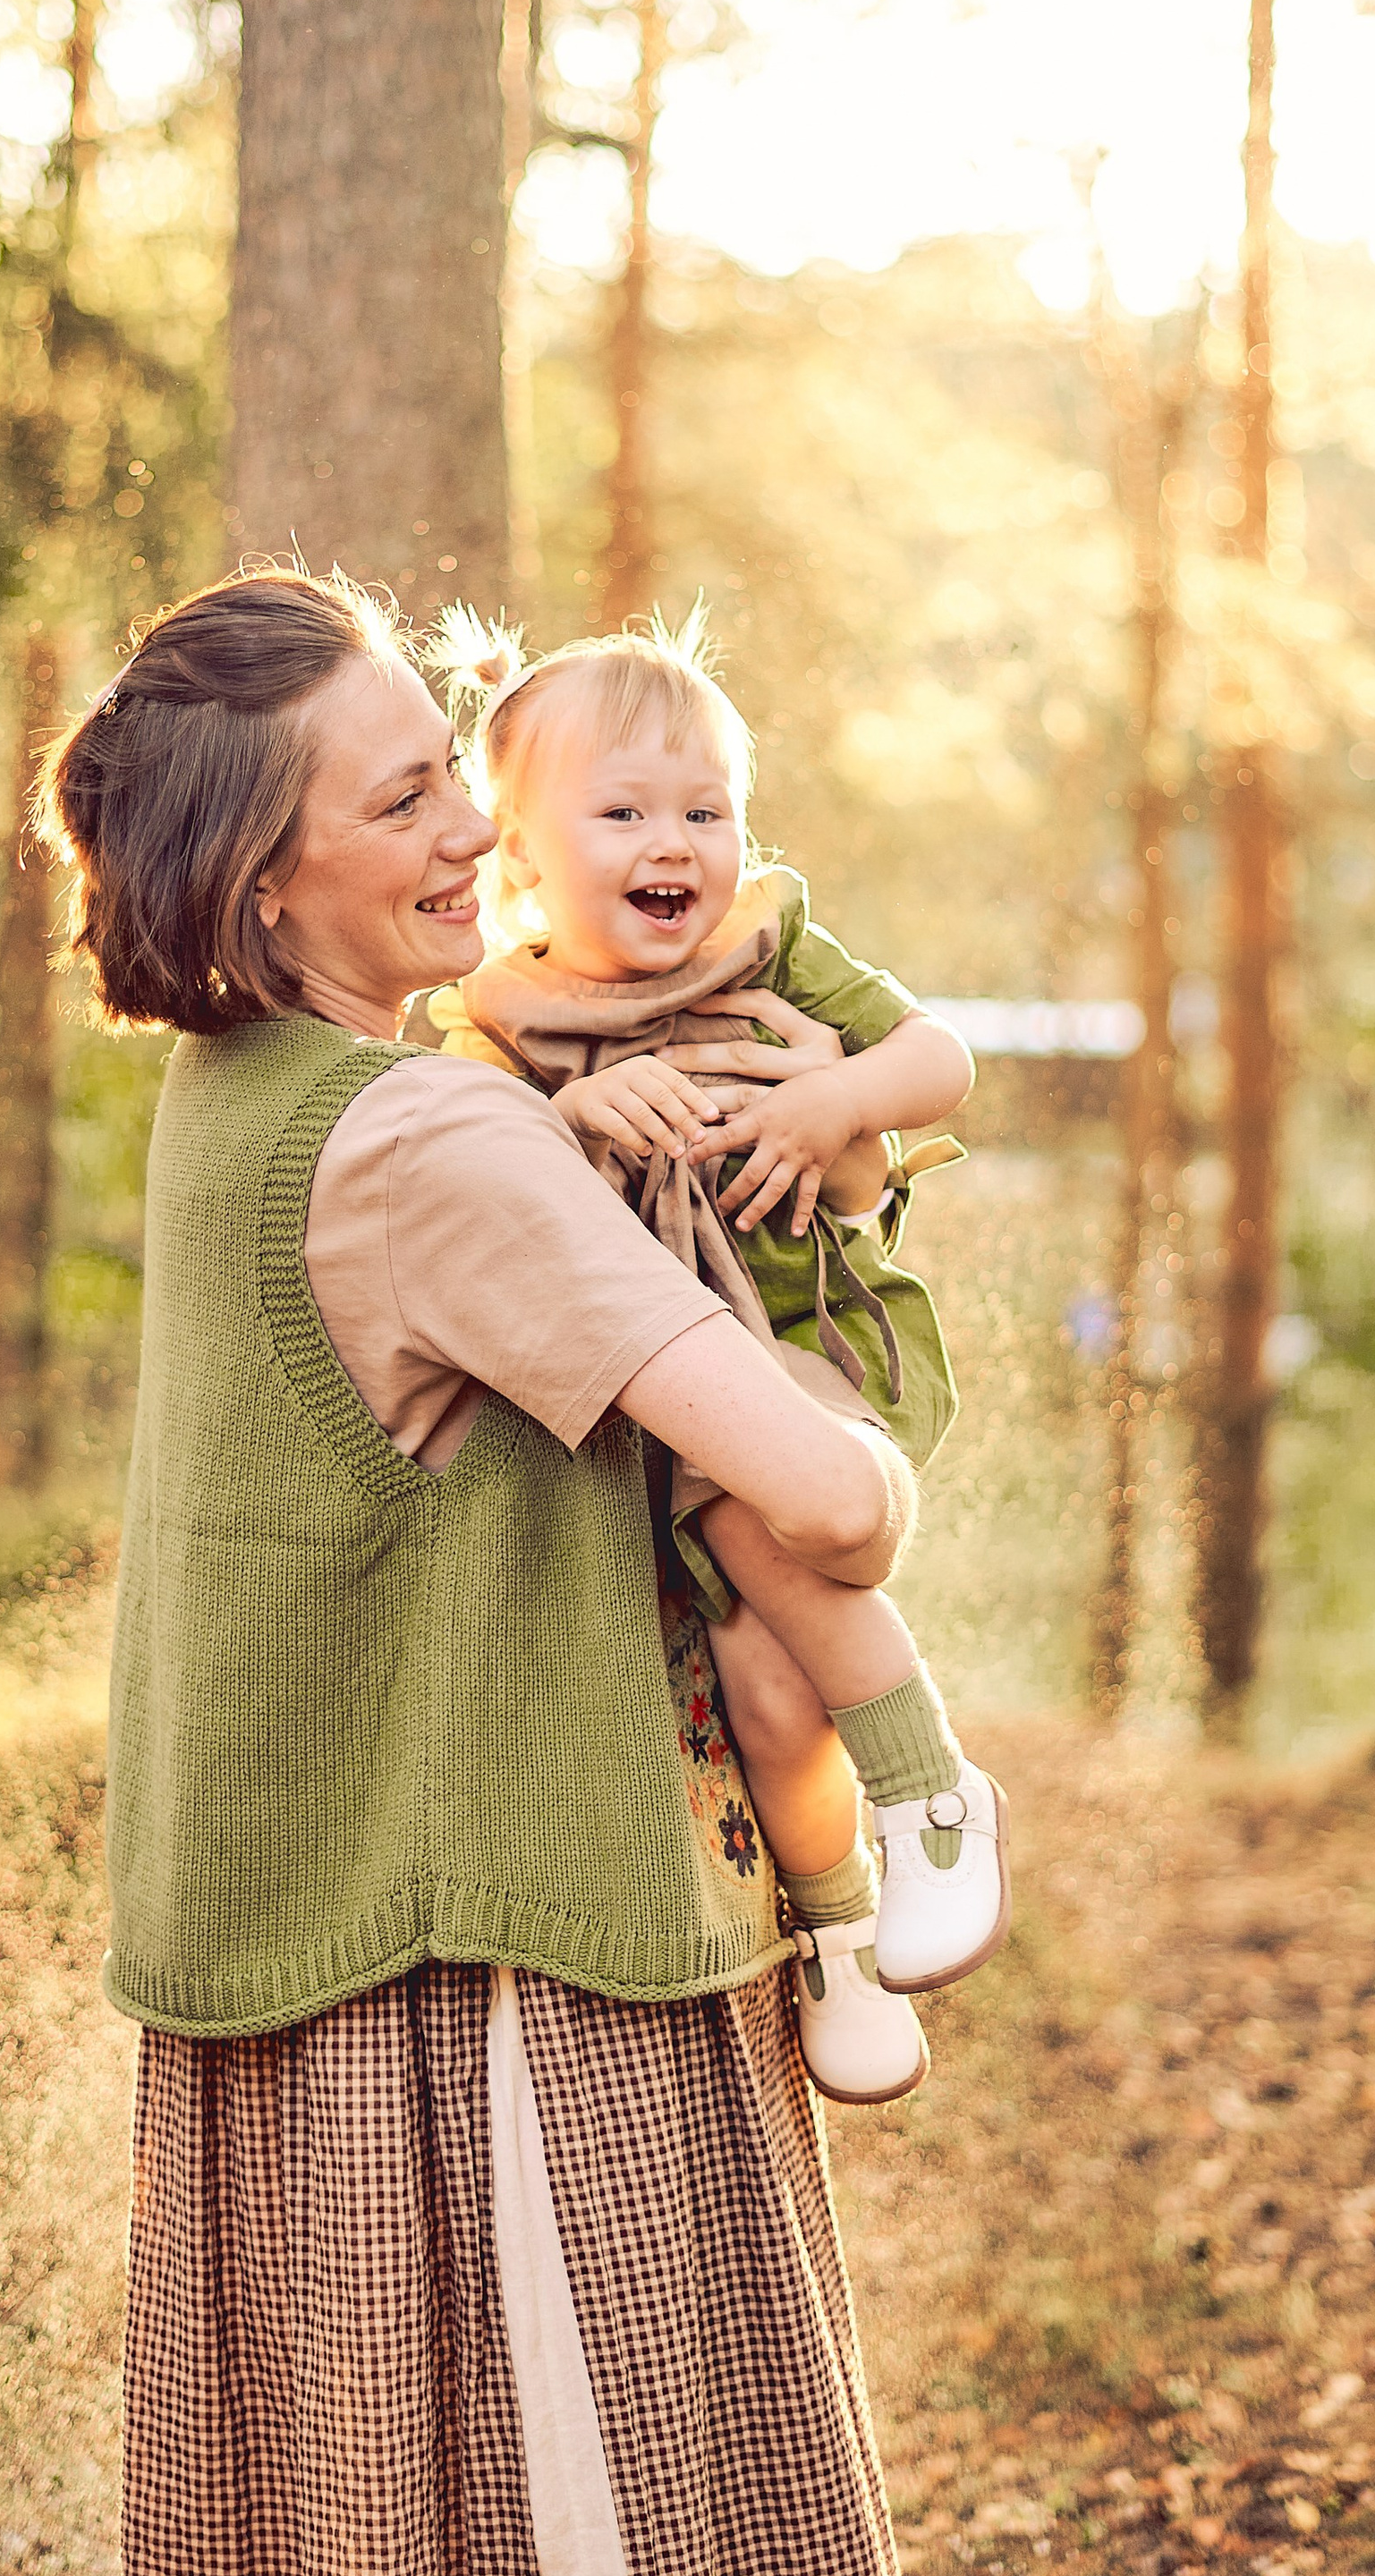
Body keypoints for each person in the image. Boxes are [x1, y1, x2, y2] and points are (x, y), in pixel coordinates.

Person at [46, 564, 932, 2576]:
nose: (477, 828)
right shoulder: (431, 1144)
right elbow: (826, 1487)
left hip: (300, 1961)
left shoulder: (243, 1097)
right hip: (502, 1977)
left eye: (455, 768)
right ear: (269, 875)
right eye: (411, 790)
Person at [420, 612, 1006, 2110]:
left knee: (759, 1496)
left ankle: (936, 1794)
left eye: (704, 810)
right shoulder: (503, 1031)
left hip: (813, 1342)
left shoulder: (775, 945)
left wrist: (838, 1105)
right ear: (524, 859)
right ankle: (846, 1936)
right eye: (620, 813)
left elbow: (940, 1060)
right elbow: (470, 1178)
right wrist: (565, 1122)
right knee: (764, 1679)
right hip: (650, 1411)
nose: (672, 841)